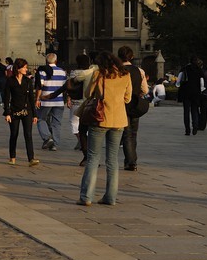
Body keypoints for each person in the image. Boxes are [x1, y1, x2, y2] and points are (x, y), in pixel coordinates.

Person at [78, 52, 132, 207]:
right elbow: (127, 98)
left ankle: (86, 196)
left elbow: (88, 94)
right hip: (119, 120)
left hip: (100, 120)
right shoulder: (125, 75)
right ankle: (110, 197)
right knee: (112, 160)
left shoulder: (99, 74)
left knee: (93, 158)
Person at [117, 45, 149, 172]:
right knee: (133, 133)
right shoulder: (139, 71)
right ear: (132, 57)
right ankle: (132, 160)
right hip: (135, 104)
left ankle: (130, 161)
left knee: (126, 134)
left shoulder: (117, 70)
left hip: (120, 104)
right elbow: (145, 90)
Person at [3, 58, 39, 167]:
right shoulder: (10, 80)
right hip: (14, 111)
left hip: (27, 110)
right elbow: (6, 98)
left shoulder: (28, 81)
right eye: (24, 67)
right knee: (14, 134)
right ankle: (12, 157)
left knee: (28, 134)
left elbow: (31, 99)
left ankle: (31, 158)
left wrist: (35, 114)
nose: (26, 69)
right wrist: (7, 113)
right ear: (18, 68)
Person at [34, 50, 68, 151]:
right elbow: (65, 86)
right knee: (56, 122)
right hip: (59, 101)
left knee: (41, 119)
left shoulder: (42, 72)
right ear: (56, 61)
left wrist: (37, 99)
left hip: (46, 100)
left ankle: (47, 138)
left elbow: (39, 86)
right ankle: (54, 143)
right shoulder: (62, 72)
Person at [177, 58, 207, 135]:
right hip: (196, 93)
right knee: (195, 110)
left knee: (186, 111)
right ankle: (195, 126)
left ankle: (187, 130)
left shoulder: (184, 70)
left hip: (186, 92)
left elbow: (178, 82)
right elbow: (202, 84)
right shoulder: (199, 70)